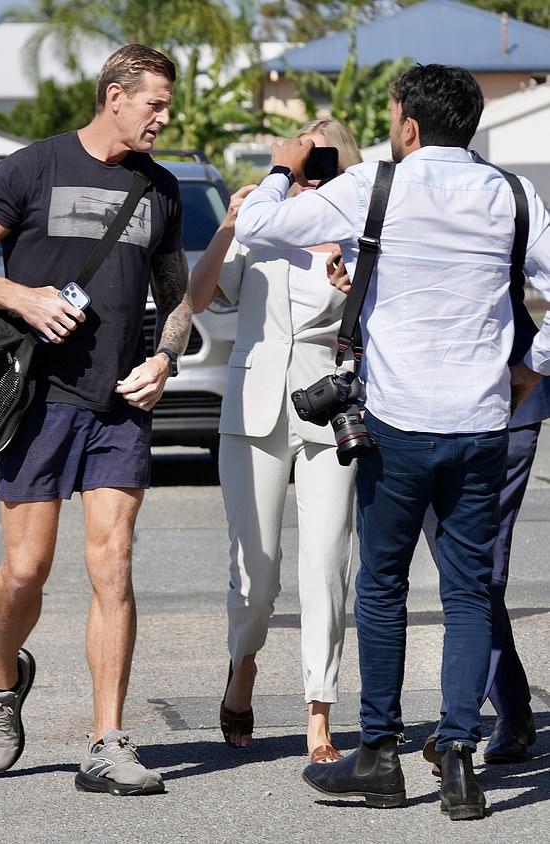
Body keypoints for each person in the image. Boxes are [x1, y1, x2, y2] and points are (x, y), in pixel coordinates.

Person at [235, 63, 550, 820]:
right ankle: (461, 761)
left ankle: (378, 755)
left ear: (407, 125)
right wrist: (530, 371)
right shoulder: (513, 195)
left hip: (397, 425)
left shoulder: (378, 184)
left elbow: (255, 226)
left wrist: (282, 170)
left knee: (381, 588)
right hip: (481, 423)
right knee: (470, 591)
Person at [0, 43, 192, 797]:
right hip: (38, 400)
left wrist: (165, 360)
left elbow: (175, 297)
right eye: (155, 104)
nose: (164, 117)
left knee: (113, 565)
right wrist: (25, 298)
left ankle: (108, 740)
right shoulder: (32, 167)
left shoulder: (162, 190)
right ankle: (4, 676)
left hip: (118, 405)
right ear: (115, 95)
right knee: (25, 571)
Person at [190, 118, 362, 762]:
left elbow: (383, 322)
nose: (310, 173)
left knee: (326, 566)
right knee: (255, 577)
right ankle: (244, 664)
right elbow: (201, 296)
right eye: (301, 161)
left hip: (330, 407)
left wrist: (357, 294)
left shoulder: (359, 231)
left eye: (323, 161)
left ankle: (320, 710)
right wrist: (230, 224)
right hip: (254, 406)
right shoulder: (260, 219)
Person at [422, 374, 550, 769]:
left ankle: (457, 721)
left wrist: (531, 365)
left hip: (506, 407)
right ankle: (513, 709)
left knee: (478, 576)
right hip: (415, 417)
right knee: (463, 575)